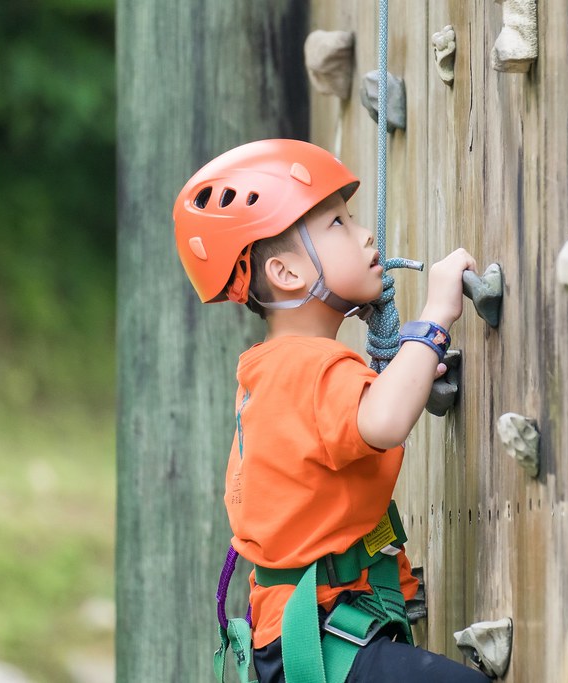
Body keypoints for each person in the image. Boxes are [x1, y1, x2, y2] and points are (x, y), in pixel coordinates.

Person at [173, 139, 490, 682]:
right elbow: (383, 422)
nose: (366, 233)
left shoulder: (275, 368)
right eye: (337, 224)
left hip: (301, 639)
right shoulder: (308, 367)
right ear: (288, 274)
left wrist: (405, 371)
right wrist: (435, 319)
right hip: (320, 640)